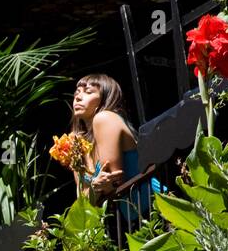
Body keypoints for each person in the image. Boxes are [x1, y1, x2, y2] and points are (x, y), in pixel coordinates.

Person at [69, 73, 162, 228]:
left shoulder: (104, 118)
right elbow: (82, 202)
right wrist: (95, 187)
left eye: (88, 92)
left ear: (105, 98)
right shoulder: (77, 143)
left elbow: (114, 181)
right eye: (76, 93)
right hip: (136, 219)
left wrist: (94, 190)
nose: (78, 98)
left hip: (157, 206)